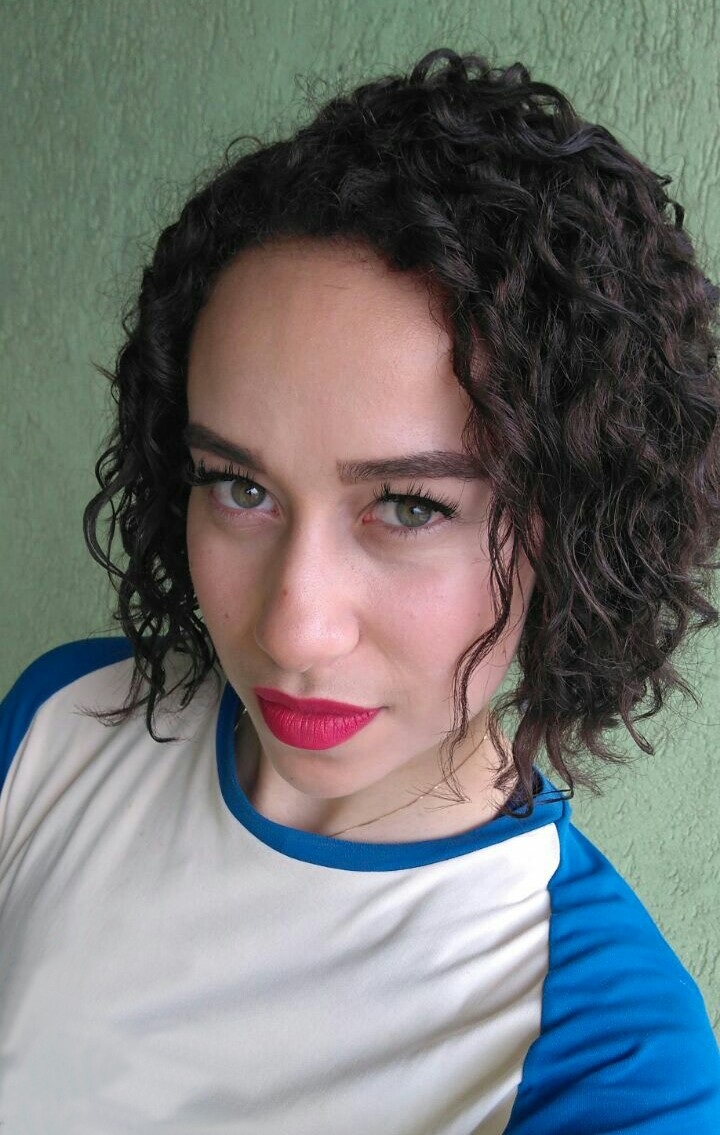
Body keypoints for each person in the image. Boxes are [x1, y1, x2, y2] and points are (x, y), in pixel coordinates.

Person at [1, 46, 719, 1133]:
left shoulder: (608, 1060)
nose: (294, 627)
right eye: (239, 486)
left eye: (410, 506)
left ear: (571, 524)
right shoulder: (58, 728)